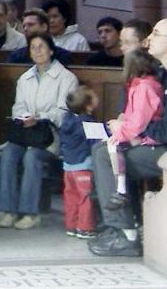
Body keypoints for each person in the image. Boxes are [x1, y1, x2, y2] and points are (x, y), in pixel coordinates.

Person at [89, 18, 167, 257]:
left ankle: (124, 232)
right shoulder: (159, 73)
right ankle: (124, 223)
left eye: (156, 33)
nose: (149, 38)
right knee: (105, 149)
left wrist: (133, 129)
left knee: (103, 156)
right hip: (154, 143)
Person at [0, 32, 77, 230]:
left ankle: (30, 213)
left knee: (31, 157)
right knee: (8, 153)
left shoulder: (66, 77)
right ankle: (9, 210)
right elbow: (18, 107)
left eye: (42, 46)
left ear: (51, 50)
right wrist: (24, 117)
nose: (38, 51)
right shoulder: (25, 78)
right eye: (33, 47)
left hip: (50, 136)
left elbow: (64, 112)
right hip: (26, 133)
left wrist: (40, 117)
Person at [104, 50, 165, 210]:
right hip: (138, 131)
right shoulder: (139, 85)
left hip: (147, 135)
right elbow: (132, 114)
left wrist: (121, 132)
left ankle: (121, 189)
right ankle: (120, 188)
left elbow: (140, 119)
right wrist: (121, 123)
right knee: (112, 144)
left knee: (113, 144)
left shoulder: (144, 87)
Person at [59, 86, 99, 239]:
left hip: (68, 167)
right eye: (94, 95)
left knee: (71, 196)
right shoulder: (88, 122)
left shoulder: (67, 118)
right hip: (83, 166)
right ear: (88, 105)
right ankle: (85, 227)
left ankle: (71, 225)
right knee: (85, 197)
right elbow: (97, 140)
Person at [7, 9, 73, 65]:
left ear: (44, 26)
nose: (25, 29)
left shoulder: (62, 56)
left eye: (30, 24)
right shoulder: (16, 56)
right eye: (24, 26)